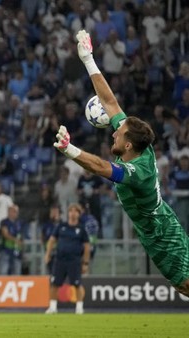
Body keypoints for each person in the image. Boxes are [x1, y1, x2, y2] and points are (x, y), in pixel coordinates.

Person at [54, 29, 189, 296]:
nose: (114, 130)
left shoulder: (138, 171)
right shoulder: (137, 146)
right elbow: (110, 102)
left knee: (185, 285)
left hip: (160, 234)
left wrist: (70, 150)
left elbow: (102, 168)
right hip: (162, 223)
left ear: (127, 144)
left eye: (118, 132)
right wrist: (88, 59)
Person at [44, 204, 90, 315]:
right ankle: (53, 307)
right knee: (54, 284)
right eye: (71, 211)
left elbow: (87, 247)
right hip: (60, 260)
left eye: (75, 211)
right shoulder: (61, 226)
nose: (73, 213)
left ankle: (79, 308)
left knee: (77, 284)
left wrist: (85, 263)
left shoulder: (81, 229)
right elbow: (51, 240)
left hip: (74, 261)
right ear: (68, 213)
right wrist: (47, 254)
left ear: (79, 214)